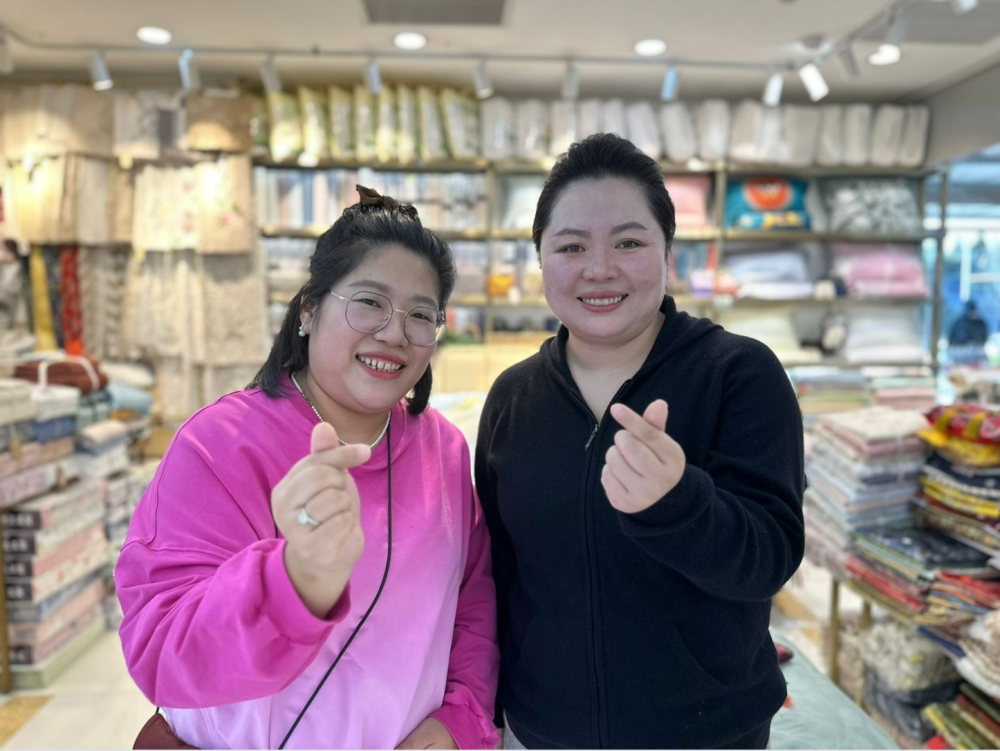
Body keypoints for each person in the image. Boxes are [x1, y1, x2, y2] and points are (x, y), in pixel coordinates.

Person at [117, 187, 500, 750]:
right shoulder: (219, 445)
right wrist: (295, 580)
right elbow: (163, 648)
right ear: (309, 309)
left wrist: (457, 722)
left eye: (421, 315)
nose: (394, 332)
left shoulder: (442, 448)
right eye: (369, 302)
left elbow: (472, 607)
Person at [475, 134, 805, 750]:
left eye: (628, 242)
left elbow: (770, 558)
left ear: (669, 253)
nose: (600, 269)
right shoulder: (513, 398)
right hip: (543, 731)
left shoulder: (739, 374)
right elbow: (497, 571)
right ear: (541, 261)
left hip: (709, 735)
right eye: (571, 246)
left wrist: (677, 503)